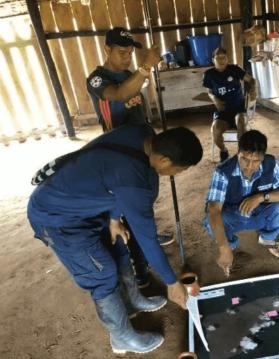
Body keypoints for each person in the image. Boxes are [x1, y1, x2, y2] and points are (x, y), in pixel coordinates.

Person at [28, 124, 203, 354]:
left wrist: (113, 218)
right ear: (164, 160)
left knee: (118, 245)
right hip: (57, 218)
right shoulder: (134, 180)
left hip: (89, 203)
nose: (178, 175)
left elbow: (110, 176)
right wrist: (172, 282)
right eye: (180, 170)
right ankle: (122, 338)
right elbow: (148, 238)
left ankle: (132, 301)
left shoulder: (143, 135)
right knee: (101, 274)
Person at [86, 27, 172, 288]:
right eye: (122, 52)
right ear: (107, 49)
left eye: (131, 52)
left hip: (140, 147)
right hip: (117, 152)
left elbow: (133, 100)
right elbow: (120, 94)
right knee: (124, 209)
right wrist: (144, 69)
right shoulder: (97, 79)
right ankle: (141, 273)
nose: (127, 57)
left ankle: (147, 242)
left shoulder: (128, 75)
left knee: (143, 198)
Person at [204, 130, 279, 277]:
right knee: (211, 222)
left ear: (263, 157)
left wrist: (260, 197)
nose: (249, 166)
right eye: (245, 159)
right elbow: (214, 209)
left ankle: (267, 239)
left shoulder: (272, 164)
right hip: (234, 216)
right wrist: (223, 247)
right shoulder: (223, 171)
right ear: (238, 152)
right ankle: (230, 246)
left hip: (260, 213)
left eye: (256, 161)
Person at [203, 47, 257, 162]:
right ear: (213, 60)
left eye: (224, 57)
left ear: (227, 59)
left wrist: (253, 90)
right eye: (218, 58)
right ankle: (223, 151)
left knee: (241, 121)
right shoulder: (209, 74)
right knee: (215, 130)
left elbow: (251, 80)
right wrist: (215, 99)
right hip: (222, 111)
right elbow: (209, 92)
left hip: (238, 108)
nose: (222, 60)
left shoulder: (234, 69)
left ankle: (241, 152)